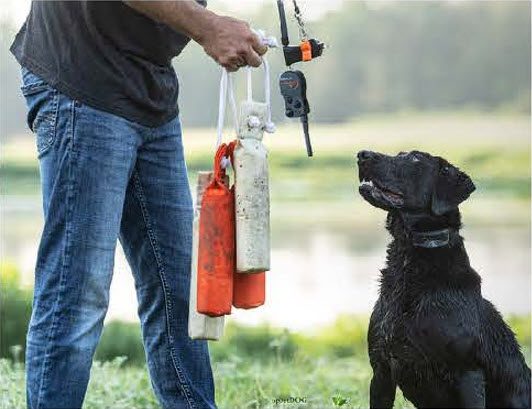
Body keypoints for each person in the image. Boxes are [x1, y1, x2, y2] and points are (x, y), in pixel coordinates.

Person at [10, 1, 268, 408]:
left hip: (149, 90)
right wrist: (209, 27)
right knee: (77, 292)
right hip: (83, 78)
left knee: (179, 288)